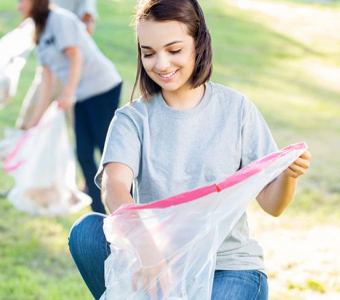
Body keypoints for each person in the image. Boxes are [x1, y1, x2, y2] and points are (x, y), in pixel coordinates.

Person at [67, 0, 312, 299]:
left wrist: (288, 176)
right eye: (149, 53)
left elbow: (273, 206)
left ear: (199, 44)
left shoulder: (237, 110)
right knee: (87, 232)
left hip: (227, 268)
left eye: (174, 50)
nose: (161, 64)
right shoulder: (132, 118)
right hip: (154, 261)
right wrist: (149, 251)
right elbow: (114, 186)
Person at [17, 0, 123, 214]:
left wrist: (68, 93)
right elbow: (47, 76)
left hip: (102, 88)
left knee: (106, 154)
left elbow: (76, 56)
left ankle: (126, 208)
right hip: (81, 94)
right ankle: (99, 212)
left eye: (21, 1)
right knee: (83, 153)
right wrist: (36, 120)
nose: (18, 6)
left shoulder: (59, 19)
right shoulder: (38, 29)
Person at [15, 0, 98, 129]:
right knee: (28, 123)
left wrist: (65, 34)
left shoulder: (63, 17)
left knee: (81, 129)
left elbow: (87, 24)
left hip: (71, 70)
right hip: (49, 67)